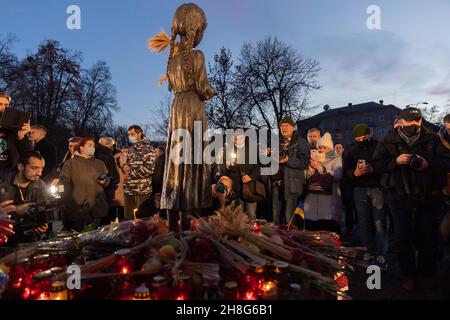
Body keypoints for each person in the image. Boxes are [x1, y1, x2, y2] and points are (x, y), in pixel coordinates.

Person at [155, 4, 216, 232]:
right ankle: (190, 222)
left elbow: (172, 85)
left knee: (176, 159)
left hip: (177, 107)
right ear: (195, 29)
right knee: (192, 158)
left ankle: (173, 221)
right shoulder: (198, 56)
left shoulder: (172, 60)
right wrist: (210, 92)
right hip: (193, 107)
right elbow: (203, 87)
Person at [372, 107, 439, 291]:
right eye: (410, 121)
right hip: (397, 195)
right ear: (400, 121)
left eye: (417, 120)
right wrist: (395, 161)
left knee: (427, 235)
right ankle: (408, 274)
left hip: (425, 195)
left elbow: (444, 161)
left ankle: (427, 273)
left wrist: (427, 164)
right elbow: (376, 165)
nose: (414, 124)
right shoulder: (388, 140)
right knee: (402, 236)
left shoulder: (431, 138)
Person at [343, 124, 387, 269]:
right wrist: (354, 174)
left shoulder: (379, 146)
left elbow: (386, 164)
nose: (361, 140)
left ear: (369, 135)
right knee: (363, 222)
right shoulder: (351, 150)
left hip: (377, 188)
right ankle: (369, 250)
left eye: (364, 137)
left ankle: (381, 253)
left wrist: (374, 168)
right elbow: (346, 170)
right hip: (359, 189)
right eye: (358, 138)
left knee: (379, 221)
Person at [56, 137, 109, 231]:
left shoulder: (100, 163)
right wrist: (61, 200)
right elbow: (62, 183)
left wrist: (105, 181)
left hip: (96, 208)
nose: (93, 147)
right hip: (77, 209)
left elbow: (106, 177)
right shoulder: (70, 164)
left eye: (93, 145)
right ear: (81, 147)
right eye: (89, 145)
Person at [0, 152, 49, 244]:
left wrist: (42, 225)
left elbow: (42, 212)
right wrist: (16, 211)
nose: (39, 173)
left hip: (28, 240)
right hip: (3, 239)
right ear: (21, 167)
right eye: (34, 168)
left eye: (42, 168)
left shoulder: (41, 186)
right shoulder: (2, 181)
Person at [271, 117, 310, 225]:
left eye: (286, 126)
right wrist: (268, 155)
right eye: (282, 126)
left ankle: (291, 240)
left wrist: (288, 160)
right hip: (276, 183)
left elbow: (305, 163)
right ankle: (277, 241)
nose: (284, 128)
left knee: (290, 218)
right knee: (276, 218)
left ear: (293, 128)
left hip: (292, 184)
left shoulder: (301, 142)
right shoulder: (275, 142)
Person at [304, 132, 343, 233]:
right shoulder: (313, 160)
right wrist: (312, 168)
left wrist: (321, 168)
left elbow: (338, 175)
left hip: (329, 203)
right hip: (312, 204)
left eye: (324, 148)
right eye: (320, 147)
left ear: (330, 149)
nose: (322, 150)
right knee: (312, 234)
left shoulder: (336, 159)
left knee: (328, 232)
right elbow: (306, 177)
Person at [122, 126, 156, 220]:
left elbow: (149, 169)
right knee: (128, 219)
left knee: (141, 219)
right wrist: (124, 165)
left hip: (141, 190)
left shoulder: (147, 148)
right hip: (129, 189)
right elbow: (127, 165)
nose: (130, 136)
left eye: (132, 134)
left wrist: (129, 173)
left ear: (139, 134)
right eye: (129, 134)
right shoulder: (132, 149)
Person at [225, 131, 261, 219]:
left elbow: (257, 166)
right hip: (235, 186)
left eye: (239, 138)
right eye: (235, 138)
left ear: (244, 137)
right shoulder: (228, 150)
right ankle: (239, 232)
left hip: (250, 186)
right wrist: (227, 166)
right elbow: (226, 170)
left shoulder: (253, 148)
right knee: (237, 215)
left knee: (251, 214)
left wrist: (251, 177)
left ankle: (251, 232)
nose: (237, 140)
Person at [0, 92, 33, 170]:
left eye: (6, 105)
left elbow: (28, 154)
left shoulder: (15, 128)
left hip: (7, 174)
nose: (3, 108)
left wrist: (22, 136)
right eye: (0, 104)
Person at [95, 137, 120, 224]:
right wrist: (106, 181)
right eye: (112, 146)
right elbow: (110, 173)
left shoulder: (95, 154)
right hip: (106, 189)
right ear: (108, 145)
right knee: (107, 217)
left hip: (95, 190)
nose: (113, 148)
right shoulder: (107, 156)